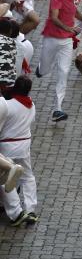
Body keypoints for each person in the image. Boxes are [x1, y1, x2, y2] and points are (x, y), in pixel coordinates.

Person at [36, 0, 82, 123]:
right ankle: (41, 69)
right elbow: (54, 17)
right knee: (45, 69)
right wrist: (68, 28)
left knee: (64, 72)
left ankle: (58, 109)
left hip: (67, 40)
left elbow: (74, 11)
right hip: (52, 38)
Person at [0, 76, 36, 226]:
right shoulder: (31, 105)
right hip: (25, 145)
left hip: (8, 146)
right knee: (28, 177)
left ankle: (16, 212)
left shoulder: (7, 105)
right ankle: (31, 208)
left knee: (4, 178)